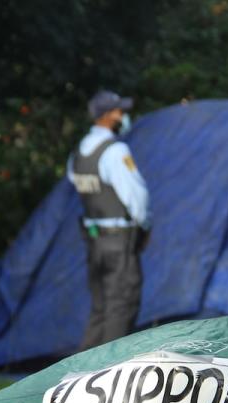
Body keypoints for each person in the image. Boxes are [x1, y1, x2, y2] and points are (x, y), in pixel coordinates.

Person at [68, 90, 151, 350]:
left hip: (94, 240)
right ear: (108, 115)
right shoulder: (115, 151)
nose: (123, 116)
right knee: (122, 308)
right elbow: (137, 196)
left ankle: (79, 375)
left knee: (101, 310)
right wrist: (144, 227)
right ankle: (109, 375)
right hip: (119, 242)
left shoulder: (79, 153)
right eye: (119, 111)